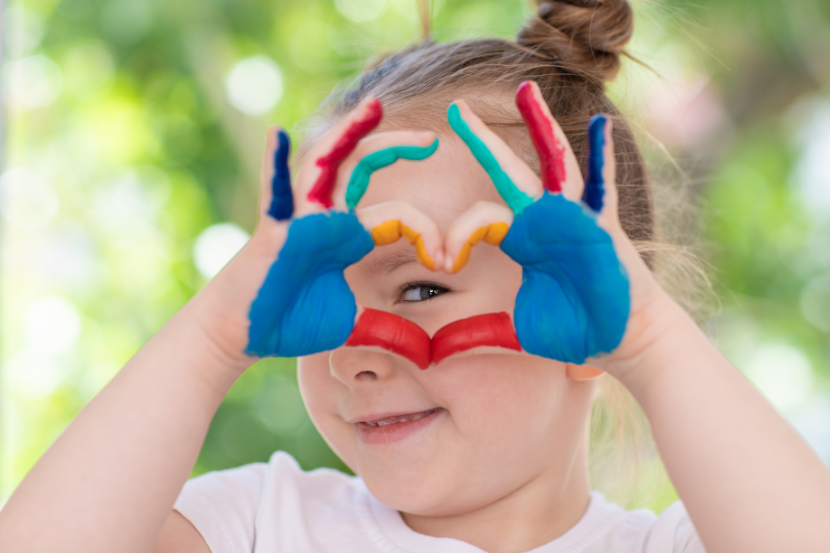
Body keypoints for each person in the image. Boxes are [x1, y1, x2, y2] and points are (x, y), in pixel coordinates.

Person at [2, 1, 830, 552]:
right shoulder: (260, 523)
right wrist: (215, 334)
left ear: (584, 317)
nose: (354, 351)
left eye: (420, 289)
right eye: (324, 298)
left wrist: (650, 344)